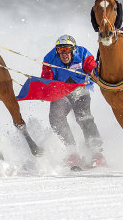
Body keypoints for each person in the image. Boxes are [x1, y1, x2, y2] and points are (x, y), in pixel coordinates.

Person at [41, 34, 106, 169]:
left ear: (73, 49)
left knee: (84, 118)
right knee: (55, 118)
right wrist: (45, 90)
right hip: (61, 92)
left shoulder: (83, 54)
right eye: (60, 50)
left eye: (66, 50)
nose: (63, 54)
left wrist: (93, 74)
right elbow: (47, 79)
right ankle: (72, 153)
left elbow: (92, 68)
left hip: (80, 90)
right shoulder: (49, 58)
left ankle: (97, 153)